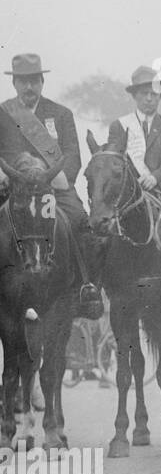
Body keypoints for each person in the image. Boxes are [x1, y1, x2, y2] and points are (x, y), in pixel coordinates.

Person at [0, 53, 103, 317]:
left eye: (34, 81)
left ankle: (85, 288)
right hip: (12, 186)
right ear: (14, 84)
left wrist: (61, 179)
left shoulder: (61, 114)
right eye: (23, 81)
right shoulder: (2, 114)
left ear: (42, 82)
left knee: (80, 220)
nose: (29, 87)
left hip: (52, 186)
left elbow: (72, 154)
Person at [105, 64, 161, 195]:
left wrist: (155, 177)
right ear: (135, 96)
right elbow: (113, 161)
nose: (149, 98)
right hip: (127, 193)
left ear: (160, 96)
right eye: (144, 93)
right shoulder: (119, 126)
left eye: (153, 94)